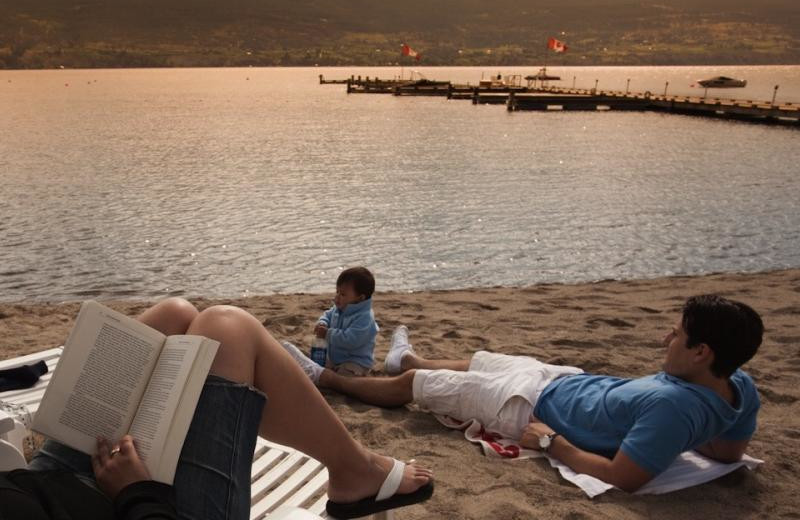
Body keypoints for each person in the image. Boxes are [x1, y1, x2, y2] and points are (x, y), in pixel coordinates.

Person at [0, 298, 433, 520]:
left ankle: (353, 468)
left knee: (175, 315)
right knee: (226, 329)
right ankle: (354, 469)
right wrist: (136, 494)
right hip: (135, 508)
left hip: (42, 489)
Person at [282, 294, 763, 492]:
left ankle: (325, 378)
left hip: (527, 407)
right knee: (477, 360)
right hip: (563, 378)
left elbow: (625, 478)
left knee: (416, 389)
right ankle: (406, 356)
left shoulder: (671, 407)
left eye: (676, 335)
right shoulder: (738, 385)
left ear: (701, 352)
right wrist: (682, 434)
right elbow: (724, 450)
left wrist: (554, 443)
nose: (665, 338)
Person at [311, 266, 379, 377]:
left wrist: (327, 333)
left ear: (360, 298)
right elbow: (327, 315)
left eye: (342, 294)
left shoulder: (365, 318)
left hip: (356, 361)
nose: (337, 297)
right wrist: (322, 323)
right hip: (336, 358)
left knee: (344, 374)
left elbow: (350, 340)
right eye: (337, 292)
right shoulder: (340, 307)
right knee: (316, 363)